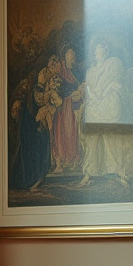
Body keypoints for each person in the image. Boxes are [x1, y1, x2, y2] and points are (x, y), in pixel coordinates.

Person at [76, 38, 133, 189]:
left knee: (111, 136)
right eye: (98, 48)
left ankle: (118, 170)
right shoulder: (90, 71)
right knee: (93, 137)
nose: (100, 50)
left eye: (103, 47)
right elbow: (91, 91)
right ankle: (90, 171)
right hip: (95, 105)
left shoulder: (114, 63)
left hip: (109, 103)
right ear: (94, 52)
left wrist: (105, 91)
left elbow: (117, 82)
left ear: (106, 50)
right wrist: (92, 94)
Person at [50, 45, 83, 173]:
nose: (72, 56)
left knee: (72, 132)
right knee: (61, 131)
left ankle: (73, 159)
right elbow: (57, 86)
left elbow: (80, 86)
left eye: (73, 54)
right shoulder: (60, 70)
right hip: (62, 106)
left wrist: (79, 91)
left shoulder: (75, 71)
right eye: (70, 53)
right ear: (65, 55)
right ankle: (63, 160)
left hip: (73, 106)